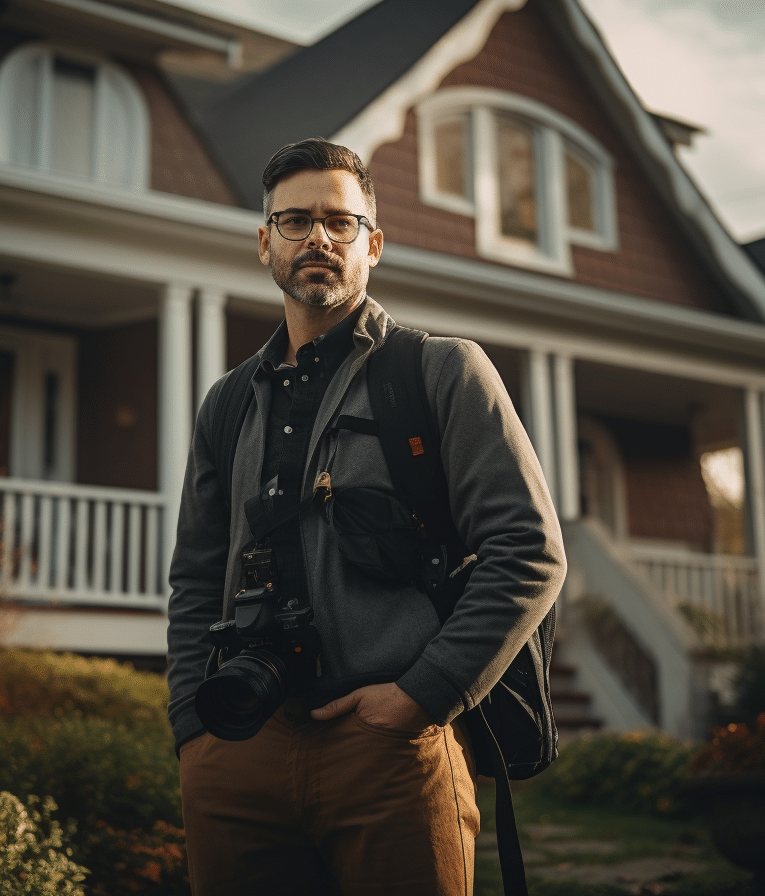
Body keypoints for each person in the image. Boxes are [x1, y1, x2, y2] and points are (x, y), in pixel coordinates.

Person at [165, 138, 565, 895]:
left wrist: (424, 695)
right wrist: (193, 725)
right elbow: (195, 575)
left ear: (372, 244)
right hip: (237, 746)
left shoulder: (442, 372)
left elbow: (530, 550)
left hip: (389, 745)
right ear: (264, 243)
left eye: (339, 222)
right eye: (294, 221)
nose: (317, 237)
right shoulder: (226, 403)